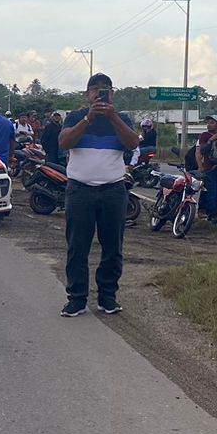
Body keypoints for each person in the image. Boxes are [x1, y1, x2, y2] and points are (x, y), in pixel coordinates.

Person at [59, 73, 140, 317]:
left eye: (105, 90)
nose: (99, 93)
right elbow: (64, 143)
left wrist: (113, 116)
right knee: (77, 246)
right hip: (79, 190)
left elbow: (133, 143)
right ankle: (77, 299)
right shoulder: (75, 117)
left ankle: (107, 297)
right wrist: (88, 119)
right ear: (87, 94)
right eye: (95, 89)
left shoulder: (122, 118)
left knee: (113, 246)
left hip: (113, 190)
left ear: (112, 93)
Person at [195, 115, 217, 221]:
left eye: (212, 122)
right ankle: (212, 214)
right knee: (211, 191)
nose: (209, 124)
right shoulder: (205, 135)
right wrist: (211, 140)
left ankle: (209, 212)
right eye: (208, 122)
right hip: (209, 168)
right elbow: (202, 150)